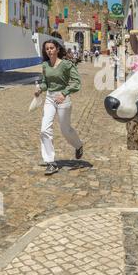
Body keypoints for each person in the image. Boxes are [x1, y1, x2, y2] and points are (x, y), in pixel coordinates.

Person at [35, 39, 83, 175]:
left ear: (57, 49)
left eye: (51, 48)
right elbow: (45, 83)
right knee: (44, 129)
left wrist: (64, 93)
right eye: (47, 49)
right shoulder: (45, 65)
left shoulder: (67, 65)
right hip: (50, 98)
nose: (49, 50)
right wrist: (40, 89)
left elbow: (76, 82)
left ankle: (78, 145)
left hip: (63, 98)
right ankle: (50, 162)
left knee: (65, 129)